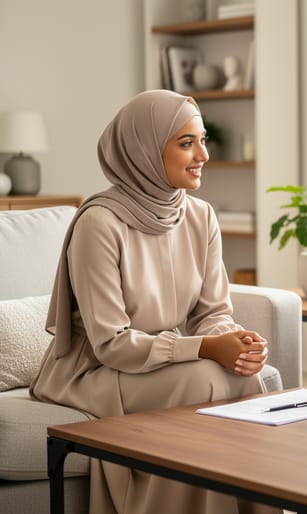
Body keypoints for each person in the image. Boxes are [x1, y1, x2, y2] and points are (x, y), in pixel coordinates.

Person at [30, 90, 279, 514]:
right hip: (96, 369)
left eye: (202, 140)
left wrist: (233, 341)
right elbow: (111, 343)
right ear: (142, 150)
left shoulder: (200, 216)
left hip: (153, 360)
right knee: (203, 380)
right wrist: (203, 348)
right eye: (186, 143)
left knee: (243, 377)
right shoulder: (99, 223)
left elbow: (212, 314)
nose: (202, 154)